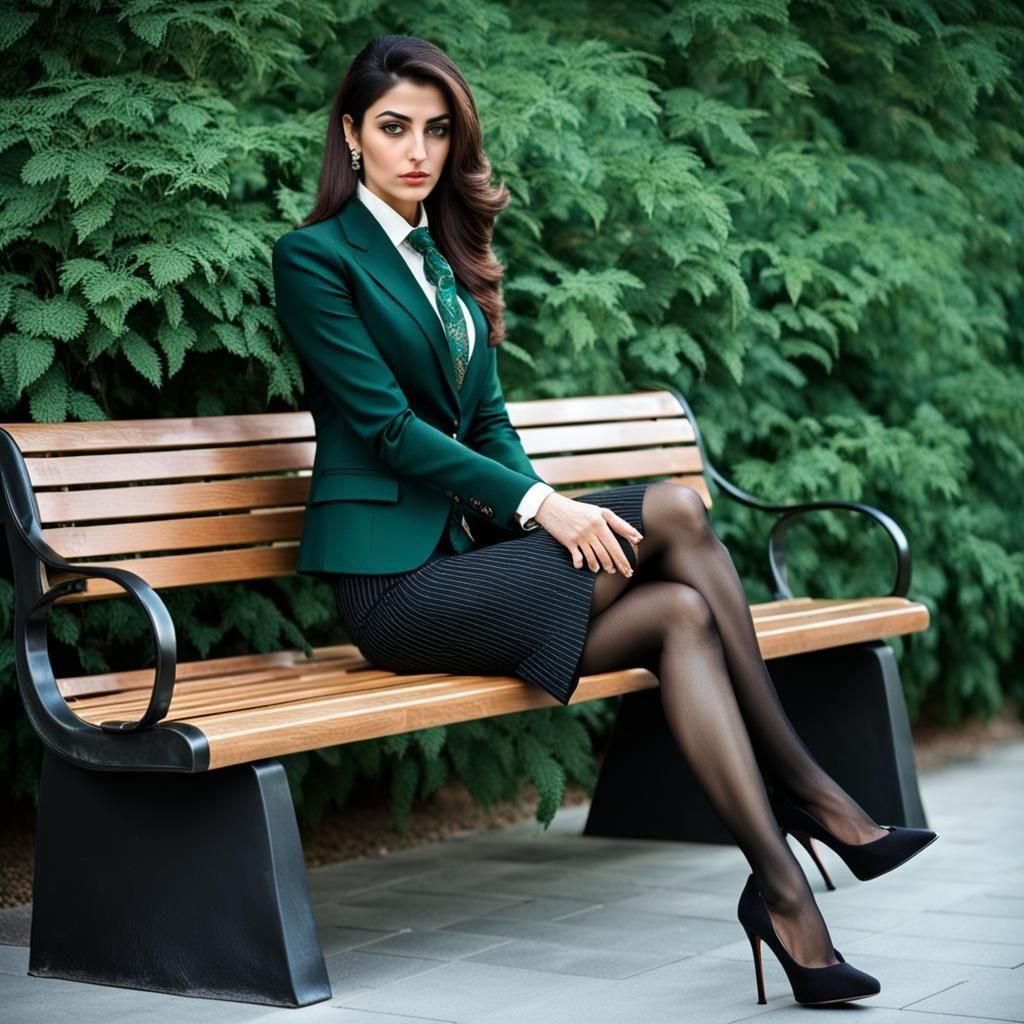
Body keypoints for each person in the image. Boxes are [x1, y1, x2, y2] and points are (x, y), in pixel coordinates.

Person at [271, 34, 937, 1008]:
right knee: (672, 508)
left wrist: (535, 514)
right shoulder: (314, 258)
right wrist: (544, 508)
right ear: (351, 136)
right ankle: (811, 791)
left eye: (437, 130)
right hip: (396, 589)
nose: (417, 150)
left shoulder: (448, 265)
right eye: (394, 128)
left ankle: (784, 891)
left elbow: (488, 423)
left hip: (476, 568)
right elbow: (384, 427)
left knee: (680, 615)